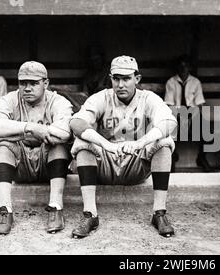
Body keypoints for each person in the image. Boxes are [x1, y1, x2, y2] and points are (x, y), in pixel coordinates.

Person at [69, 55, 177, 238]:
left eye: (126, 79)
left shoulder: (148, 98)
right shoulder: (102, 97)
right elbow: (76, 123)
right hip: (106, 164)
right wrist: (106, 145)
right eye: (116, 78)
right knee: (82, 143)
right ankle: (90, 214)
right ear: (110, 78)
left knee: (164, 143)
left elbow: (169, 122)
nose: (121, 84)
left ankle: (159, 213)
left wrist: (140, 143)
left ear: (137, 79)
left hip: (135, 163)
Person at [0, 61, 73, 235]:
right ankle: (5, 210)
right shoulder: (9, 99)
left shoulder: (58, 101)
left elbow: (64, 132)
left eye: (34, 83)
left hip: (48, 165)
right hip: (20, 166)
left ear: (46, 83)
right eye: (23, 83)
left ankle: (56, 207)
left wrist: (16, 131)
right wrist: (31, 128)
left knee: (58, 144)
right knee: (2, 144)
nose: (27, 88)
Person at [164, 55, 211, 172]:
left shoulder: (195, 82)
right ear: (177, 68)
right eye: (181, 66)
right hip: (177, 114)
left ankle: (202, 157)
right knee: (170, 128)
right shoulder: (171, 82)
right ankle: (172, 157)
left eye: (186, 66)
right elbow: (169, 105)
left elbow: (200, 104)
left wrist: (192, 117)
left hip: (192, 113)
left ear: (190, 68)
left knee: (207, 130)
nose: (183, 69)